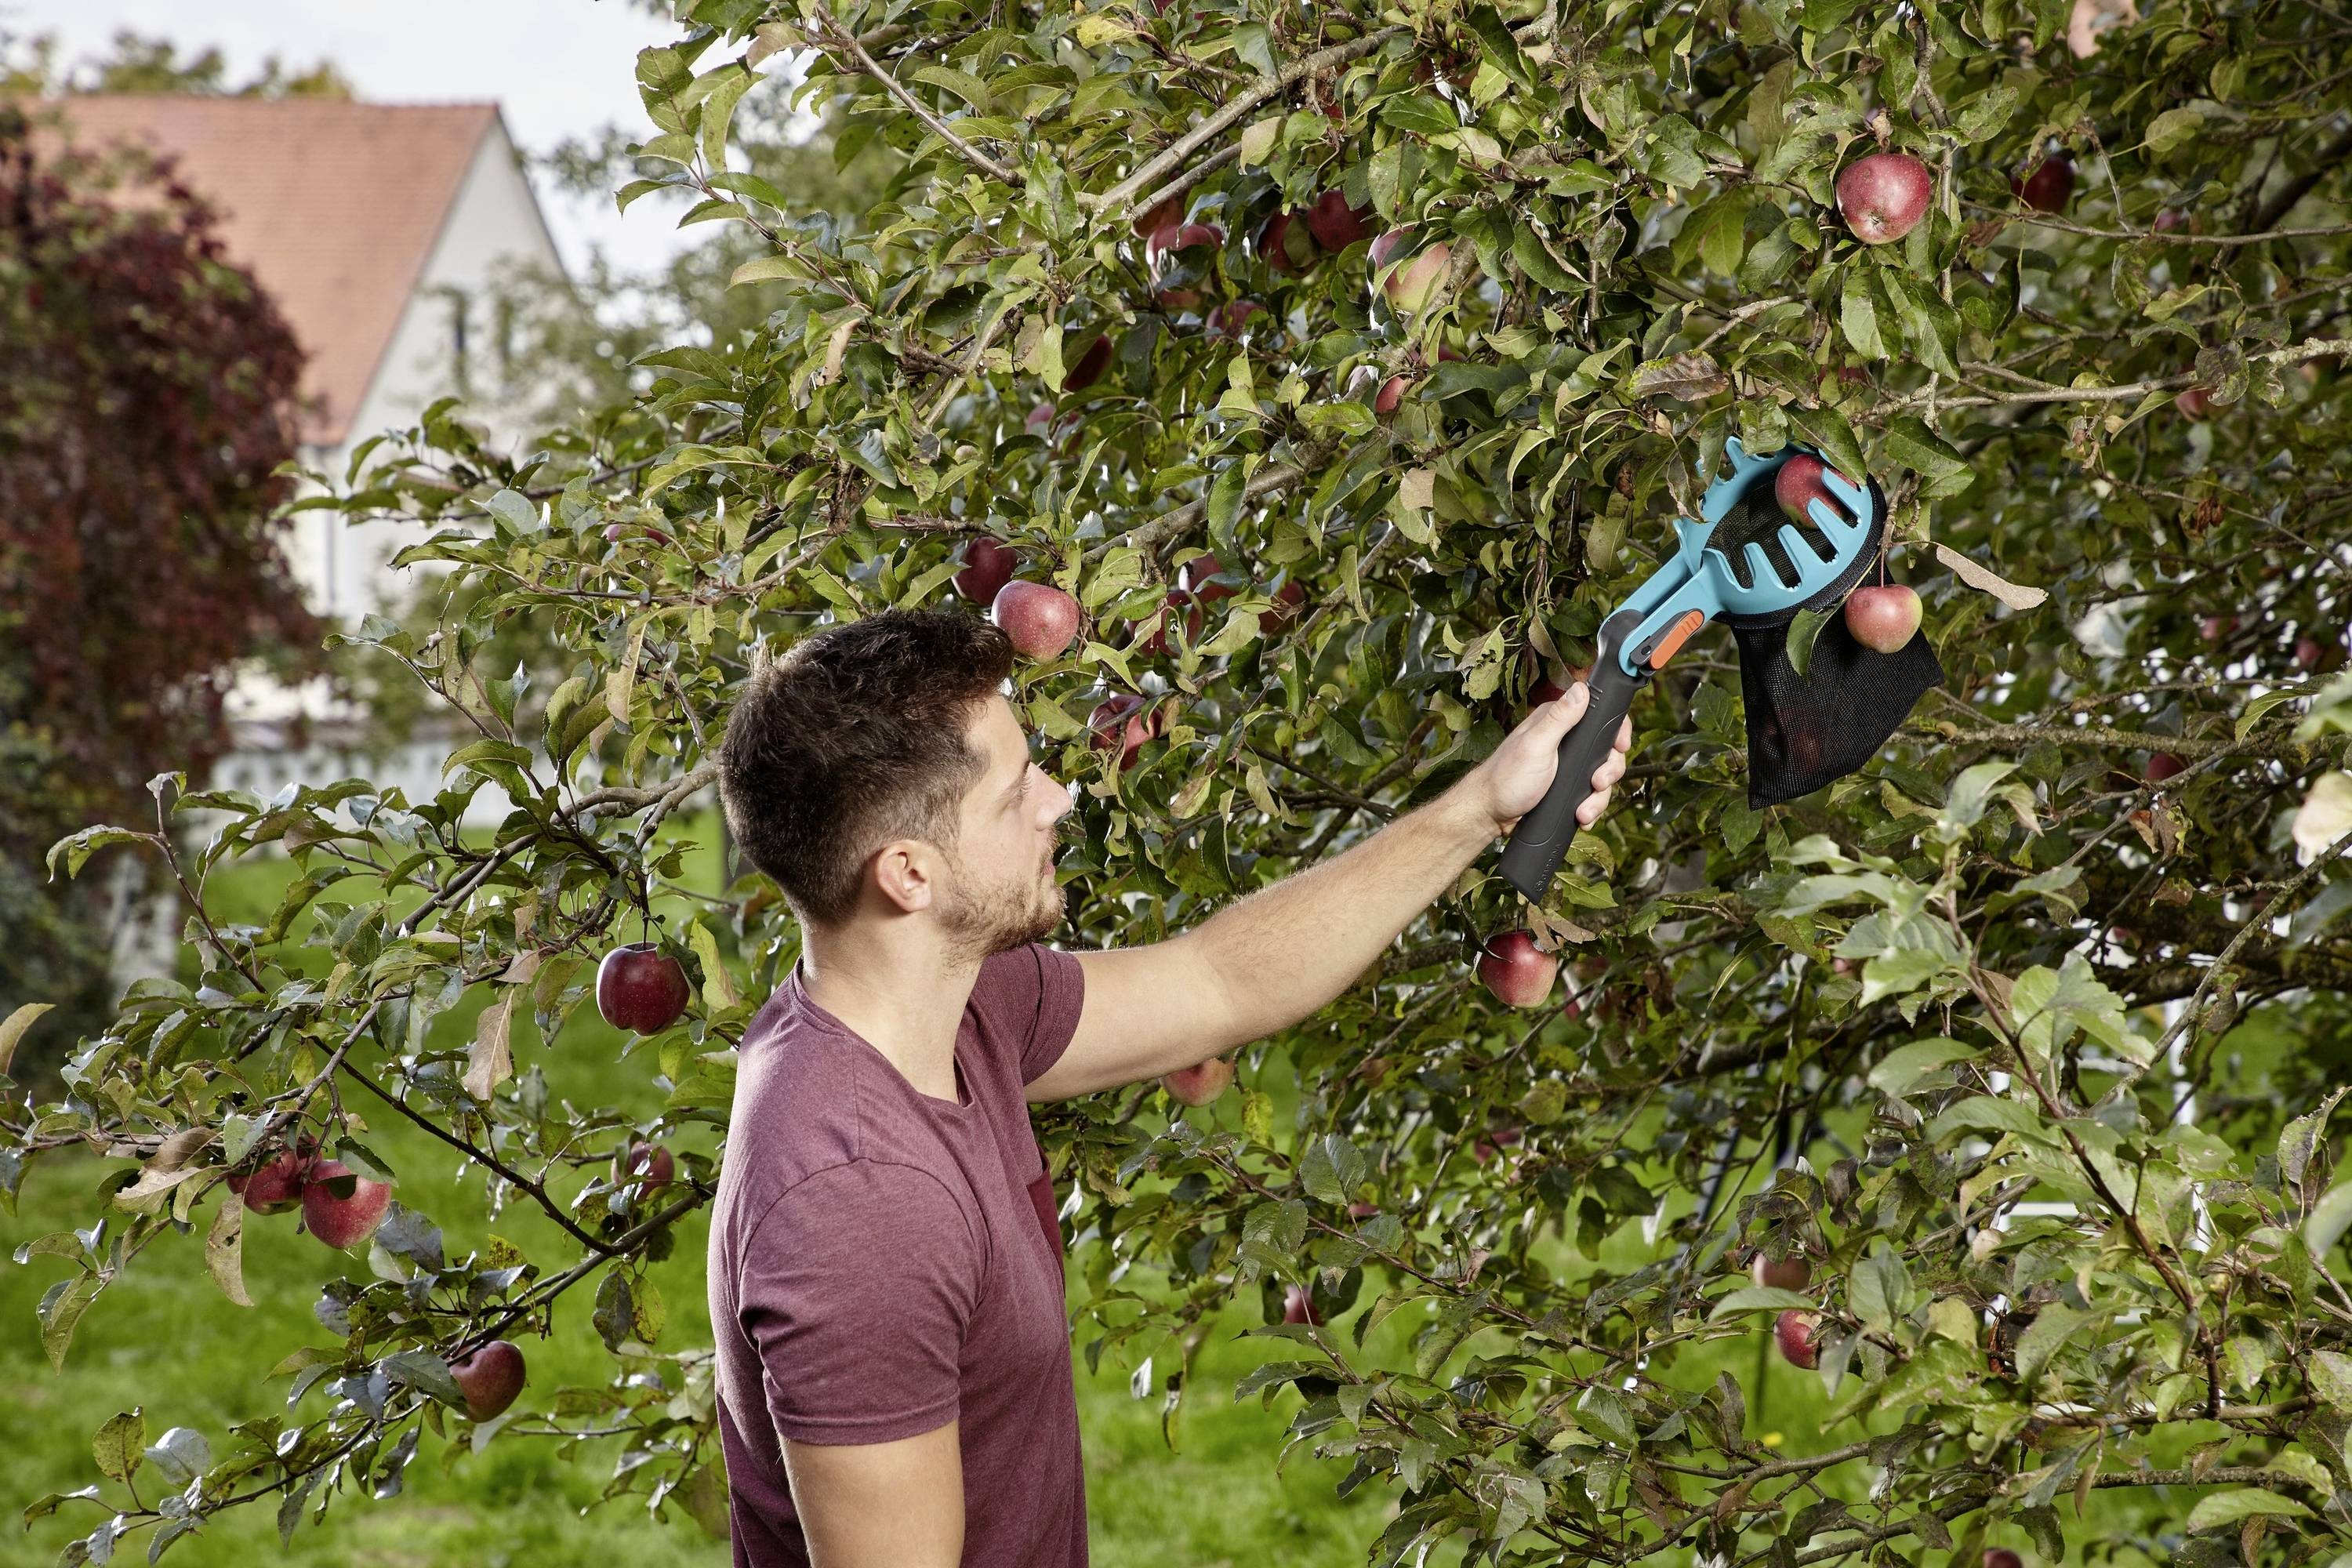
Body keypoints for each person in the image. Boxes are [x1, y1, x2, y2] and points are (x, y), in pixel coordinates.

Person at [706, 608, 1632, 1568]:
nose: (1058, 800)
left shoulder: (949, 1004)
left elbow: (1219, 980)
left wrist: (1486, 802)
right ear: (910, 873)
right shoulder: (860, 1204)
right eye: (1016, 791)